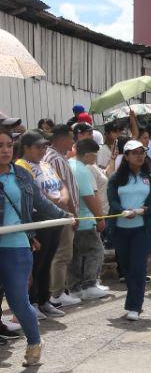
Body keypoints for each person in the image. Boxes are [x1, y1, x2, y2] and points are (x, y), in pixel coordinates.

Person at [0, 128, 71, 366]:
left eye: (9, 145)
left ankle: (34, 341)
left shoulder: (21, 174)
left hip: (16, 246)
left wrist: (66, 216)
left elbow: (40, 202)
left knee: (18, 300)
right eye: (0, 145)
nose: (5, 150)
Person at [107, 140, 151, 320]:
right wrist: (122, 211)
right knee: (127, 268)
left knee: (138, 267)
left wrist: (147, 210)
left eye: (142, 152)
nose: (139, 156)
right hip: (120, 230)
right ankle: (134, 300)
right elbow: (113, 201)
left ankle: (134, 305)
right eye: (134, 153)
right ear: (126, 156)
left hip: (143, 229)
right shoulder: (116, 178)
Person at [14, 130, 66, 317]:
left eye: (45, 146)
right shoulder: (21, 166)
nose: (43, 150)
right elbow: (36, 194)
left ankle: (45, 299)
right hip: (38, 218)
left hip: (55, 218)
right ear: (26, 148)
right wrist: (54, 204)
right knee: (36, 263)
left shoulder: (45, 164)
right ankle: (33, 301)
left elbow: (61, 185)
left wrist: (63, 200)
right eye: (38, 146)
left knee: (47, 260)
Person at [43, 125, 80, 308]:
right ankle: (56, 294)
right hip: (63, 213)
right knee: (62, 254)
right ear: (62, 138)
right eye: (71, 138)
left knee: (61, 254)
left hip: (62, 213)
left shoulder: (54, 157)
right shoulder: (55, 159)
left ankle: (58, 291)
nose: (73, 142)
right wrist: (72, 214)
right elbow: (61, 189)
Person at [67, 137, 109, 299]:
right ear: (88, 155)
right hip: (85, 219)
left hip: (72, 220)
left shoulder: (68, 164)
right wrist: (100, 218)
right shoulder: (83, 170)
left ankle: (75, 288)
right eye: (94, 156)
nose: (95, 159)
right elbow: (89, 196)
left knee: (75, 256)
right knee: (96, 251)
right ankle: (90, 284)